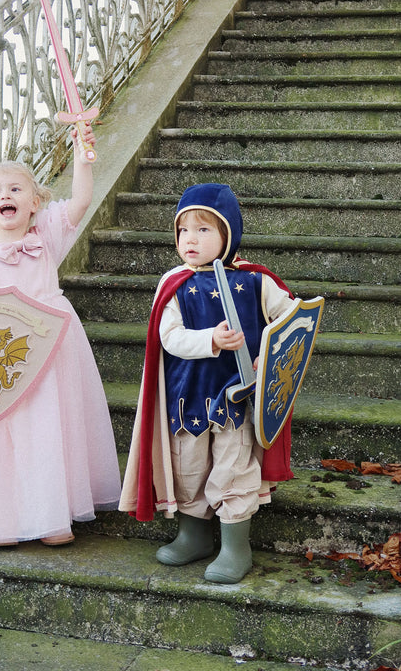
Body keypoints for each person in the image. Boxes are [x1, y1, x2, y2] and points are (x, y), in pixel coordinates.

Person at [0, 125, 121, 546]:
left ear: (35, 202)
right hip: (0, 357)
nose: (5, 195)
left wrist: (81, 154)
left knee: (46, 429)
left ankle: (50, 516)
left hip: (49, 350)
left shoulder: (47, 239)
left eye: (16, 188)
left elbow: (80, 201)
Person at [119, 183, 294, 583]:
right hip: (187, 397)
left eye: (203, 230)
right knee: (188, 467)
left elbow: (291, 322)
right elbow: (169, 337)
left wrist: (267, 356)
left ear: (228, 233)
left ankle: (235, 547)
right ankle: (194, 535)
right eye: (183, 230)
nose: (190, 240)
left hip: (237, 397)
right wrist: (211, 340)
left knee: (233, 468)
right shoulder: (175, 283)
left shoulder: (256, 281)